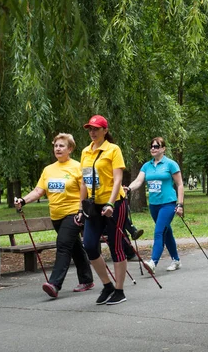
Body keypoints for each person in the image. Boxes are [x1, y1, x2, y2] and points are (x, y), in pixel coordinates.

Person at [15, 133, 94, 299]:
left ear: (70, 149)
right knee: (74, 247)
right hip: (56, 216)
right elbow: (39, 191)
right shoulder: (48, 169)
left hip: (73, 212)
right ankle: (87, 280)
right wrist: (23, 200)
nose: (58, 148)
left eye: (62, 146)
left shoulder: (78, 167)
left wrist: (82, 209)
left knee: (63, 245)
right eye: (56, 146)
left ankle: (54, 284)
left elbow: (87, 189)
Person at [79, 115, 129, 305]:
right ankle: (107, 285)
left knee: (116, 246)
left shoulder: (113, 149)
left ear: (105, 131)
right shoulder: (85, 152)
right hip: (93, 206)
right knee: (89, 245)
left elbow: (117, 179)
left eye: (96, 129)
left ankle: (119, 290)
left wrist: (110, 203)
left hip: (114, 203)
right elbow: (84, 181)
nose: (92, 132)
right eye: (90, 129)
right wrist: (80, 207)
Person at [126, 137, 184, 273]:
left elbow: (180, 184)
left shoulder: (171, 164)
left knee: (159, 232)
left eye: (156, 146)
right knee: (166, 232)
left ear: (163, 149)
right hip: (154, 205)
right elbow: (139, 181)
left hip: (168, 204)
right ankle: (176, 260)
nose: (153, 148)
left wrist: (180, 204)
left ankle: (153, 262)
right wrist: (128, 189)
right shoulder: (147, 165)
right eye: (151, 146)